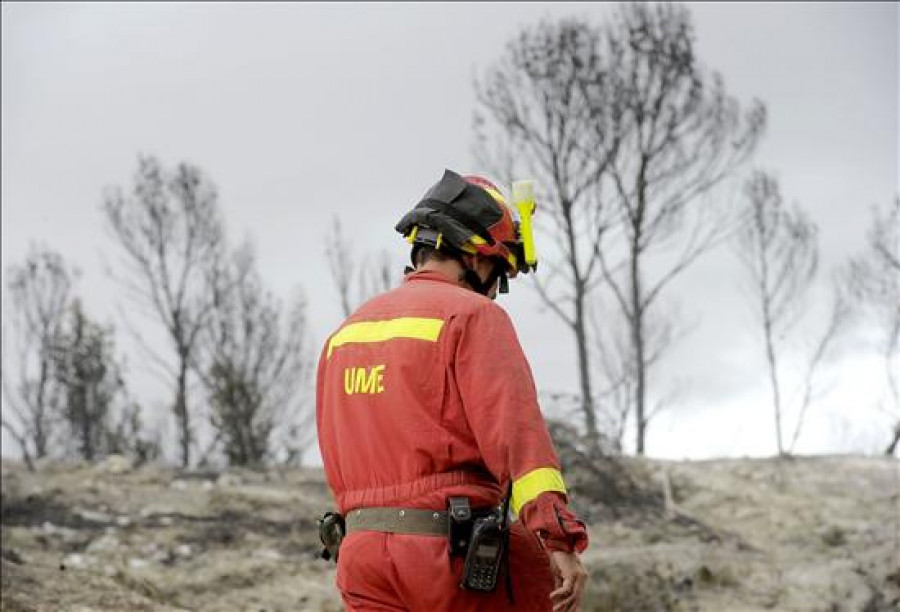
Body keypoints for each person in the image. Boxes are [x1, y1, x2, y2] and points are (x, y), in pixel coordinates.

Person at [316, 169, 589, 611]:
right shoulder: (474, 317)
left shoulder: (345, 335)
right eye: (498, 274)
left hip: (361, 559)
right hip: (450, 558)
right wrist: (558, 539)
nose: (495, 293)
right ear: (477, 257)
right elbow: (519, 444)